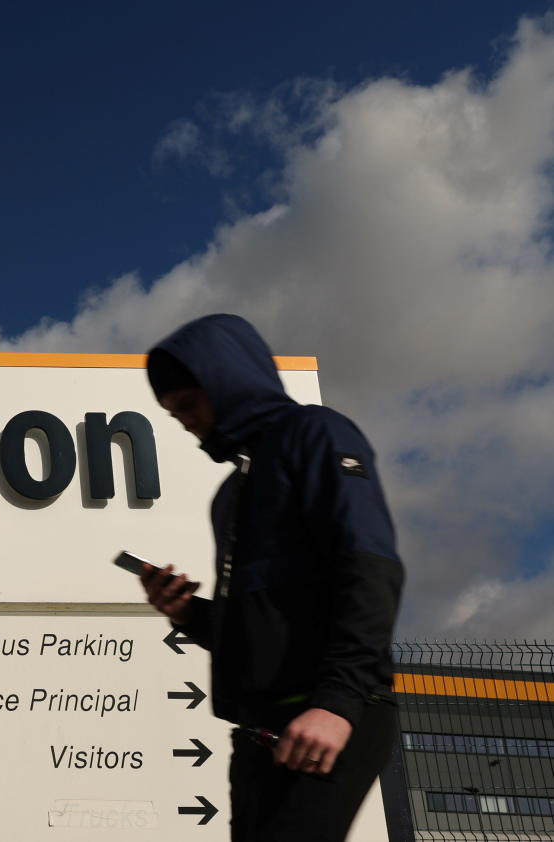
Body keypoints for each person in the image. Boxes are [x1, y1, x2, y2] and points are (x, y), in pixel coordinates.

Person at [138, 314, 403, 842]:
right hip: (260, 733)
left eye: (189, 404)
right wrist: (187, 612)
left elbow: (370, 566)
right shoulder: (230, 494)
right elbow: (249, 635)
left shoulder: (316, 433)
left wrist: (337, 703)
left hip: (329, 711)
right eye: (172, 413)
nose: (184, 421)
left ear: (226, 384)